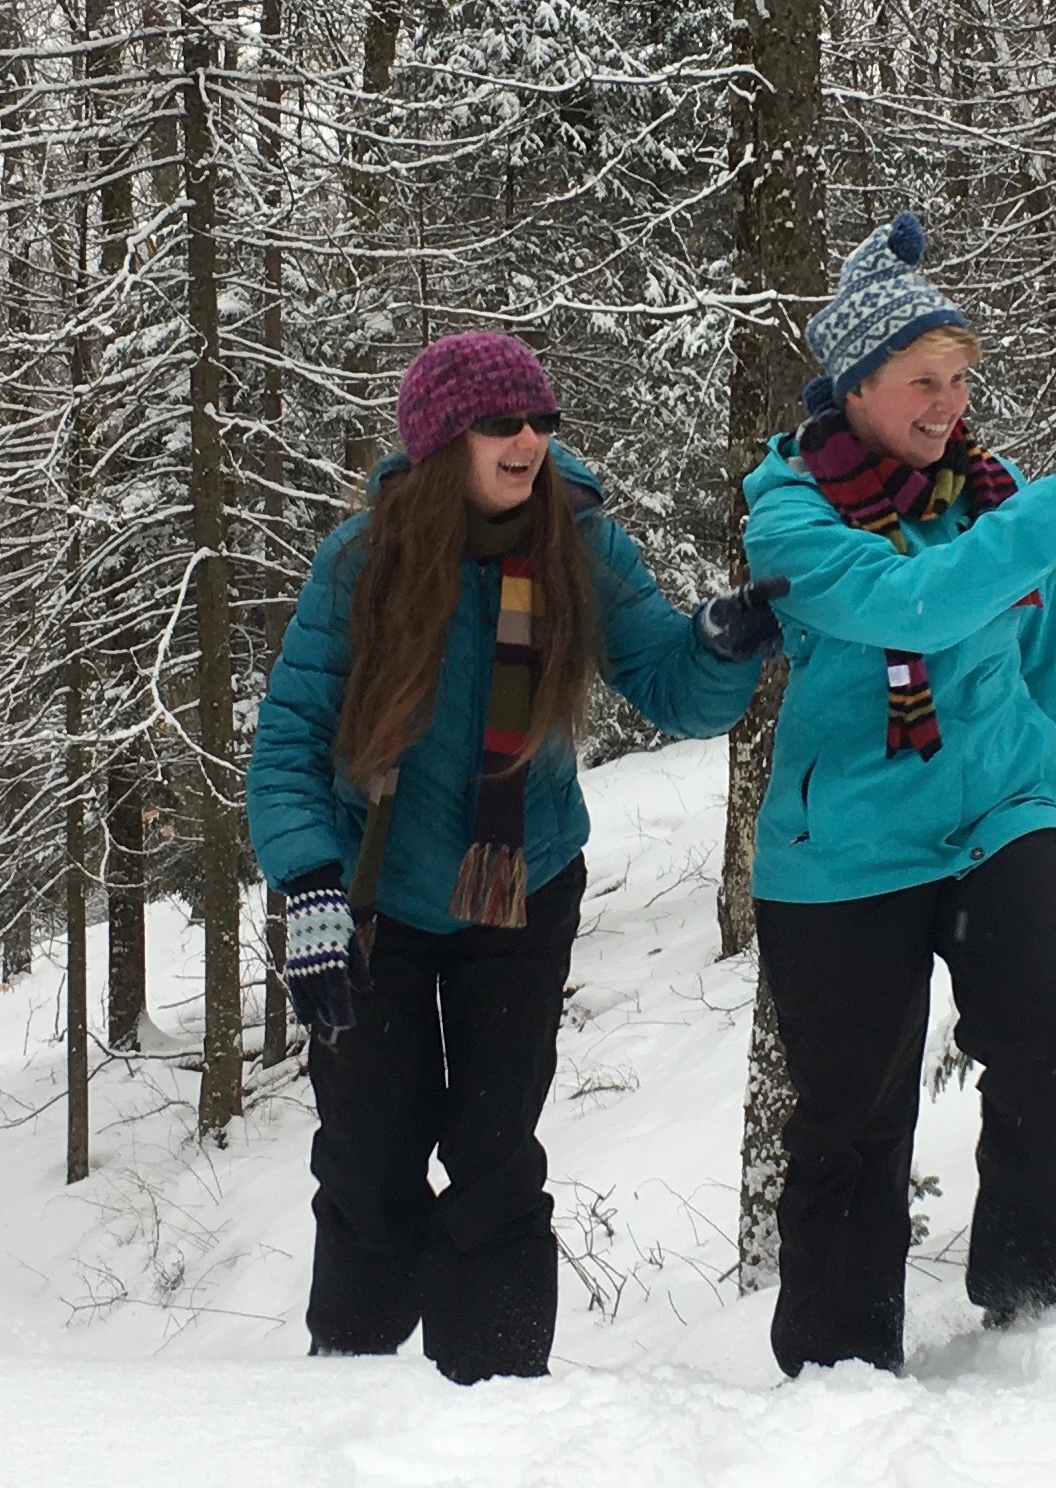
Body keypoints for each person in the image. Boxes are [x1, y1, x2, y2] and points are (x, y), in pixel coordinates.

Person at [247, 329, 778, 1383]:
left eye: (540, 420)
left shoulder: (579, 547)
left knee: (493, 1152)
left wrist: (721, 643)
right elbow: (289, 740)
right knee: (370, 1155)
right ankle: (344, 1381)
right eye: (502, 422)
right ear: (444, 441)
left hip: (520, 886)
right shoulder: (361, 561)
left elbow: (670, 685)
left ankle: (492, 1401)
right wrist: (305, 881)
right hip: (374, 896)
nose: (528, 440)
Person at [743, 212, 1056, 1377]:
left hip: (997, 812)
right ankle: (836, 1359)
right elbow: (910, 606)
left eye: (959, 377)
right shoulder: (789, 512)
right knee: (851, 1113)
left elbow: (1045, 660)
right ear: (854, 385)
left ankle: (1034, 1294)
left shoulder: (992, 493)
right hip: (845, 849)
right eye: (920, 379)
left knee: (1055, 1033)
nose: (945, 401)